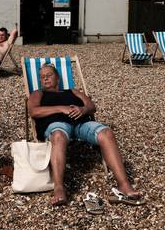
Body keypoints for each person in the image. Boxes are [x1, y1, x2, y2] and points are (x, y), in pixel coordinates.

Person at [28, 63, 145, 206]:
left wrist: (83, 110)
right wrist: (61, 108)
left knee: (106, 132)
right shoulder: (38, 94)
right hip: (58, 125)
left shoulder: (73, 91)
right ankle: (59, 188)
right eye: (42, 77)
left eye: (48, 75)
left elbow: (91, 106)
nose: (45, 79)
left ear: (57, 78)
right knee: (58, 135)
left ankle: (124, 185)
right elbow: (34, 112)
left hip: (81, 123)